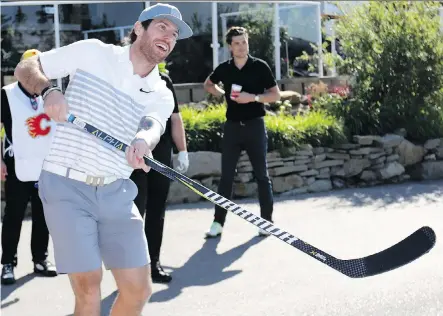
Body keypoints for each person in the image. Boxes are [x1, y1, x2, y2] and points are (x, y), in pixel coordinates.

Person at [13, 4, 192, 316]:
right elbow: (26, 68)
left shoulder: (161, 92)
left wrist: (142, 142)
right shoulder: (94, 52)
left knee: (138, 290)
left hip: (116, 190)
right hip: (66, 186)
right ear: (139, 28)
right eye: (163, 27)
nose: (170, 36)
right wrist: (49, 91)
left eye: (175, 34)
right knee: (89, 287)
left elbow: (153, 125)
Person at [203, 26, 281, 238]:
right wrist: (222, 95)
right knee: (226, 177)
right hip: (232, 128)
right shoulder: (225, 69)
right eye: (237, 43)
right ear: (230, 47)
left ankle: (266, 222)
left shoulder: (260, 66)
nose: (241, 46)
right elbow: (208, 84)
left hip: (255, 125)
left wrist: (253, 98)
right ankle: (217, 223)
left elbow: (275, 95)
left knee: (262, 176)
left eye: (244, 42)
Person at [1, 49, 58, 285]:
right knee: (14, 215)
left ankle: (40, 259)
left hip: (45, 164)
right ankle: (7, 263)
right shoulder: (7, 95)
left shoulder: (50, 94)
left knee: (43, 214)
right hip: (17, 163)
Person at [130, 69, 189, 284]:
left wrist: (182, 150)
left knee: (157, 211)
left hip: (161, 154)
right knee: (135, 213)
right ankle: (134, 268)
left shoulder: (164, 81)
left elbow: (175, 118)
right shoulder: (126, 77)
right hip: (133, 155)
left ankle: (153, 263)